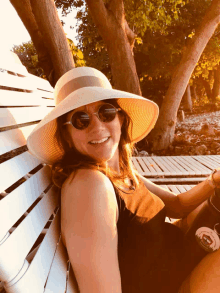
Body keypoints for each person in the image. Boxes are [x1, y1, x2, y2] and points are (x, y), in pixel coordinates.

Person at [27, 67, 220, 293]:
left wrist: (213, 181)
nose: (97, 127)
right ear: (67, 135)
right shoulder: (89, 186)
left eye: (106, 112)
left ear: (120, 117)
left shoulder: (119, 173)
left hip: (178, 258)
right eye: (80, 120)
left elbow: (177, 206)